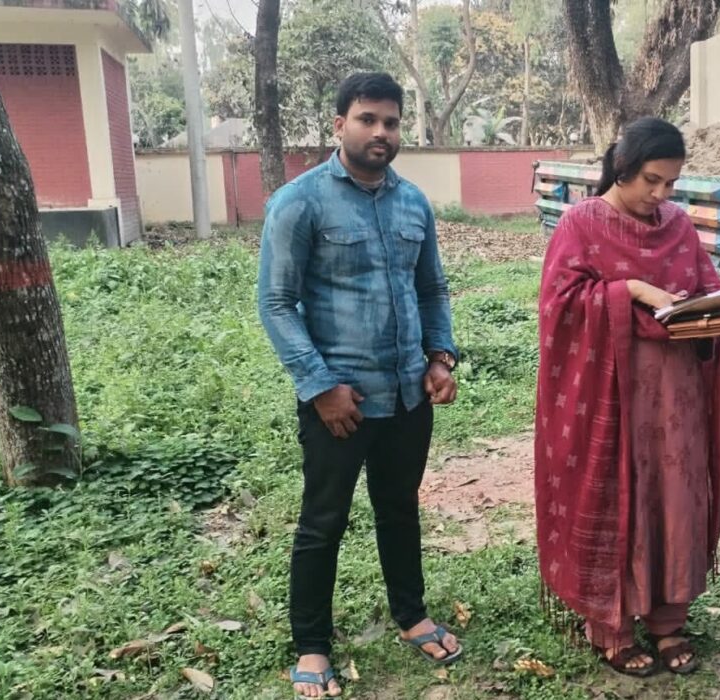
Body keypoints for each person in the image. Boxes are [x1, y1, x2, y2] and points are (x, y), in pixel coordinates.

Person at [257, 72, 462, 698]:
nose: (381, 132)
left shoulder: (413, 203)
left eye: (391, 122)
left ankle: (411, 615)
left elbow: (431, 288)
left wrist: (439, 357)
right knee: (324, 520)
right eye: (367, 119)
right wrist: (319, 387)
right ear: (339, 124)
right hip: (339, 403)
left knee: (399, 508)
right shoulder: (300, 201)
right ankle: (312, 644)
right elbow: (276, 302)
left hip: (407, 395)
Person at [534, 117, 720, 677]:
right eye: (652, 180)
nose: (662, 194)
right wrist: (633, 290)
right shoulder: (580, 224)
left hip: (675, 401)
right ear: (622, 168)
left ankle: (668, 620)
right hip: (609, 398)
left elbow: (704, 288)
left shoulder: (678, 225)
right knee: (617, 497)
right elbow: (559, 307)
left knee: (674, 499)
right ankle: (612, 627)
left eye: (671, 183)